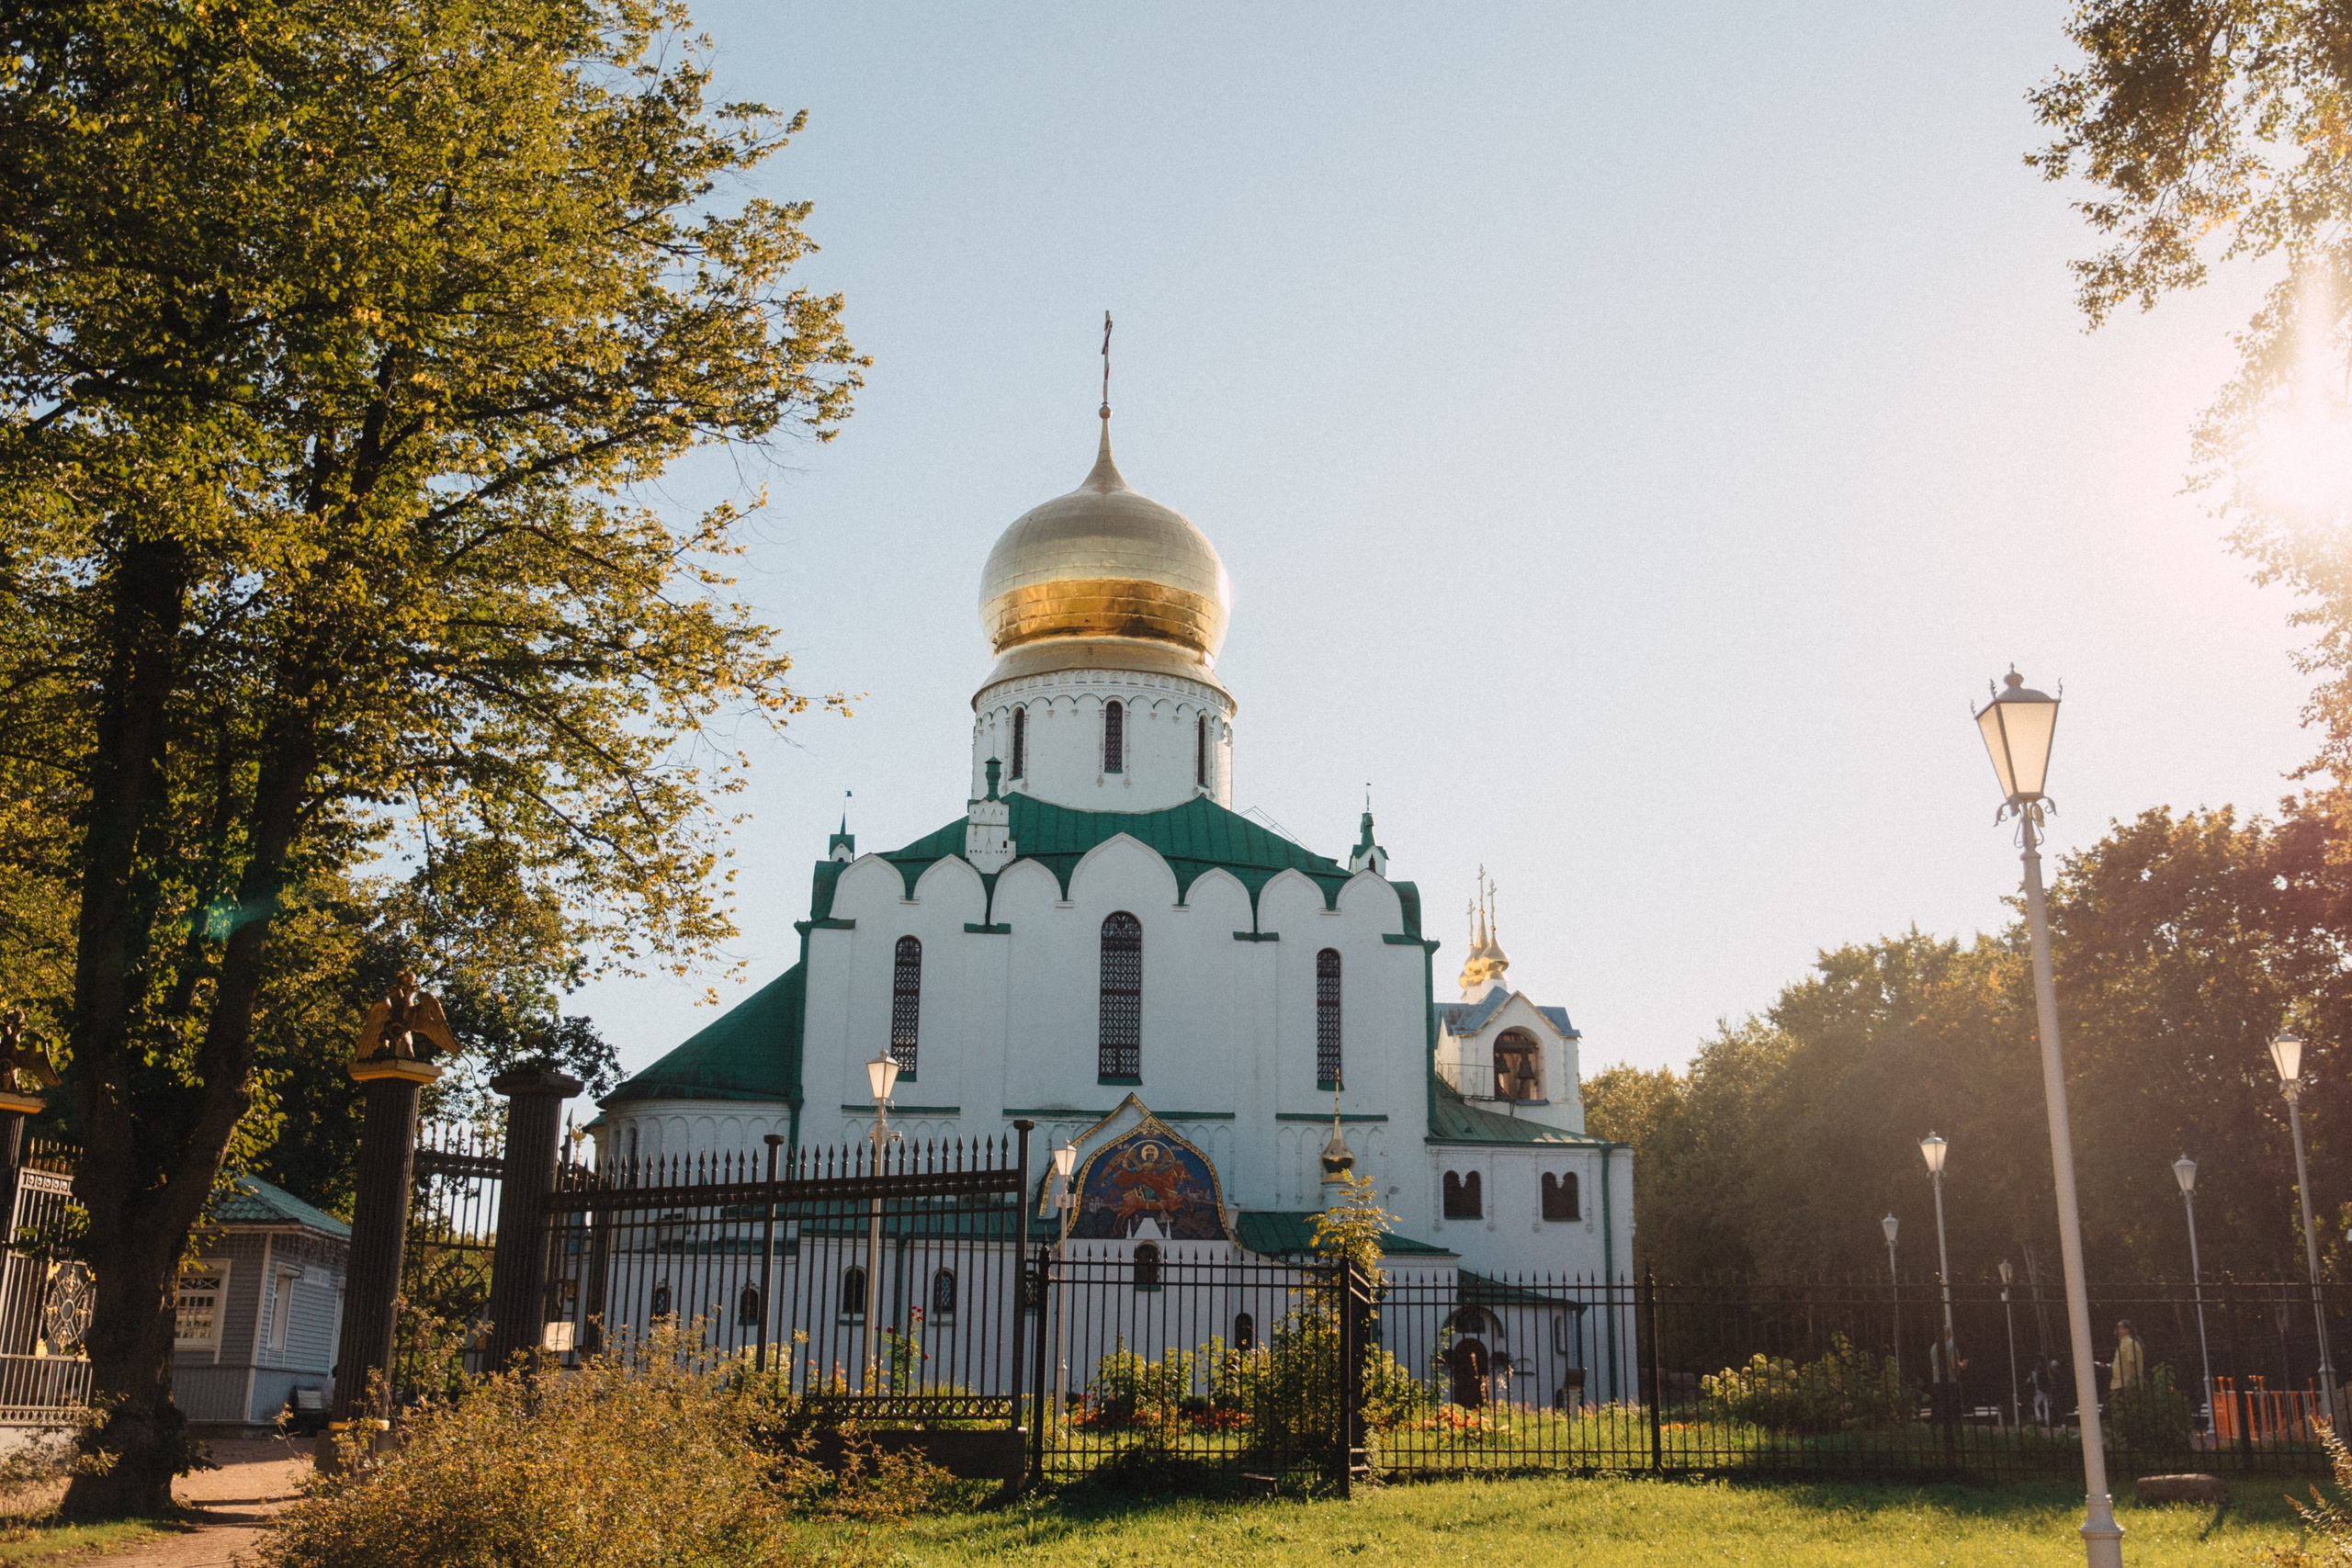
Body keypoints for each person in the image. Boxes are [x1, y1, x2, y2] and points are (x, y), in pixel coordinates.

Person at [2112, 1320, 2146, 1390]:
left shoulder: (2128, 1343)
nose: (2116, 1332)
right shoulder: (2124, 1343)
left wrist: (2130, 1382)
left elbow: (2131, 1363)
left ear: (2126, 1330)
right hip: (2121, 1383)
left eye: (2120, 1329)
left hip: (2126, 1384)